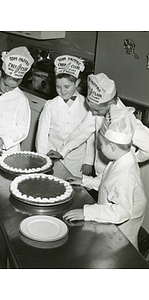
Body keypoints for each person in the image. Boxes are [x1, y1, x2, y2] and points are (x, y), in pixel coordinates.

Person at [63, 105, 147, 249]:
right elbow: (107, 181)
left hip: (121, 234)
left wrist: (86, 212)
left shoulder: (125, 176)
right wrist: (85, 181)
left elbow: (122, 212)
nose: (98, 148)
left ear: (113, 147)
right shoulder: (122, 159)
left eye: (101, 145)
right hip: (111, 222)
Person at [48, 73, 149, 186]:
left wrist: (130, 159)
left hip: (118, 178)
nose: (93, 113)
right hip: (100, 177)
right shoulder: (99, 110)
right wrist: (62, 151)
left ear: (110, 104)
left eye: (96, 110)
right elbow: (82, 131)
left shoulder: (125, 121)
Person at [35, 55, 94, 177]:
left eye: (67, 87)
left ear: (77, 83)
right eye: (58, 87)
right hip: (52, 155)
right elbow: (42, 134)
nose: (62, 91)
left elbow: (90, 135)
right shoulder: (50, 105)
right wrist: (41, 156)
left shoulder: (87, 105)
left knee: (74, 189)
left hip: (76, 160)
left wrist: (89, 160)